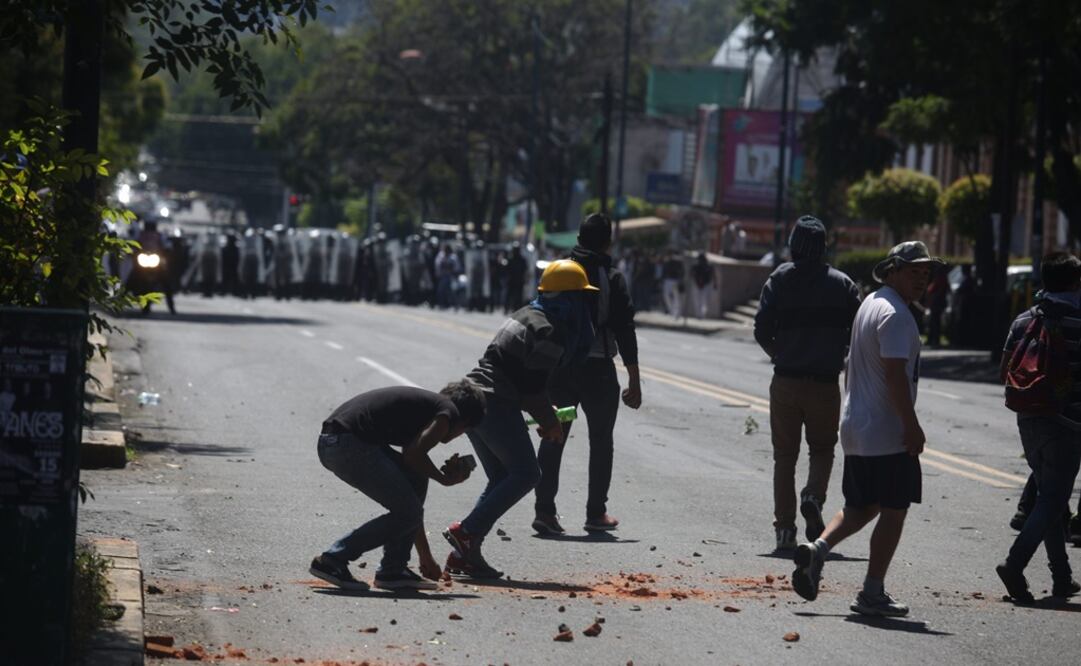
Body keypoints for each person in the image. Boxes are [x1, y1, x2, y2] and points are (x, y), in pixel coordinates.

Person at [791, 240, 941, 617]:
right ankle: (872, 592)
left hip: (858, 426)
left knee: (863, 505)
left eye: (925, 273)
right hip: (886, 430)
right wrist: (912, 426)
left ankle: (817, 550)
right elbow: (894, 375)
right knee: (894, 510)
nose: (921, 279)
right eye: (913, 271)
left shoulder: (871, 304)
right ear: (891, 270)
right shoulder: (896, 315)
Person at [443, 260, 598, 578]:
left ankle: (464, 554)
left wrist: (544, 414)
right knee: (528, 473)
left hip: (476, 397)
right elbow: (531, 388)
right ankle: (467, 531)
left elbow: (522, 379)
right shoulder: (550, 331)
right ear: (569, 299)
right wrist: (550, 423)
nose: (586, 306)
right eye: (582, 298)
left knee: (502, 477)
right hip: (496, 402)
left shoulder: (527, 313)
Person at [309, 380, 487, 591]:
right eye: (465, 430)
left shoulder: (428, 409)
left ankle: (393, 569)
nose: (460, 435)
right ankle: (333, 559)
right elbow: (414, 455)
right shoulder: (448, 413)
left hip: (335, 442)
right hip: (347, 445)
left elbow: (414, 471)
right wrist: (445, 479)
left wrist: (425, 557)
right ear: (464, 421)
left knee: (416, 481)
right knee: (408, 511)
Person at [754, 216, 861, 552]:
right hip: (824, 384)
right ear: (823, 246)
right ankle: (813, 495)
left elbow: (760, 328)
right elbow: (859, 331)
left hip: (785, 380)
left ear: (793, 245)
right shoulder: (843, 284)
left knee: (784, 457)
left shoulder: (779, 279)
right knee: (822, 450)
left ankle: (785, 531)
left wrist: (780, 353)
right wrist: (837, 353)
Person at [533, 214, 642, 534]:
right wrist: (634, 378)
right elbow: (625, 329)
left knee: (553, 435)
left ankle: (544, 511)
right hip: (598, 371)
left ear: (578, 238)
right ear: (608, 242)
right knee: (601, 440)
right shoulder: (611, 277)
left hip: (559, 368)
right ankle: (596, 513)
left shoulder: (560, 269)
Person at [996, 252, 1081, 603]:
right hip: (1067, 423)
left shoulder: (1025, 319)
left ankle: (1062, 577)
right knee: (1053, 499)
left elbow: (1005, 368)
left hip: (1028, 418)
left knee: (1050, 497)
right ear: (1075, 282)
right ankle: (1014, 564)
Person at [689, 252, 714, 319]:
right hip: (697, 284)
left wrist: (714, 283)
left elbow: (712, 275)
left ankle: (702, 314)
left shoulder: (708, 266)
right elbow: (691, 274)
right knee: (697, 300)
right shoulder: (696, 266)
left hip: (706, 285)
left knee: (704, 301)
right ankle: (698, 314)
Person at [661, 252, 685, 319]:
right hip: (668, 280)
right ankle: (672, 311)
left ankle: (676, 313)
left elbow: (682, 273)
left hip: (674, 280)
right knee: (667, 296)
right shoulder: (668, 262)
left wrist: (680, 280)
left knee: (675, 297)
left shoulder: (679, 263)